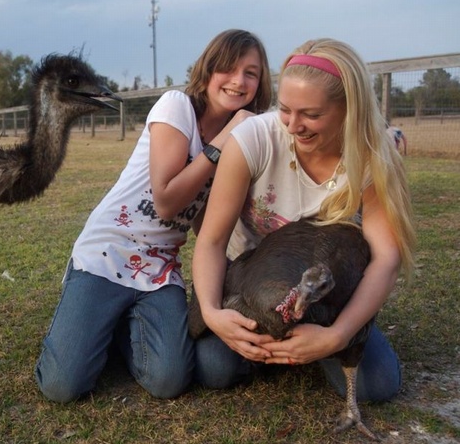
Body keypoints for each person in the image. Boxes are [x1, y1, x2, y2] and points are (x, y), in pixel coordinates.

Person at [35, 30, 273, 403]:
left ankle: (112, 328)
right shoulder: (176, 106)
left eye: (251, 73)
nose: (238, 81)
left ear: (260, 85)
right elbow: (166, 201)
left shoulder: (242, 138)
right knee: (62, 386)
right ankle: (88, 320)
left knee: (169, 381)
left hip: (158, 266)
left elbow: (202, 216)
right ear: (208, 70)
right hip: (107, 252)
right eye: (227, 68)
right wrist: (222, 141)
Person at [191, 38, 416, 403]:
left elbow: (387, 258)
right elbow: (212, 241)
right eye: (285, 110)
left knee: (376, 387)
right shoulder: (253, 140)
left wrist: (338, 335)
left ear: (348, 110)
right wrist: (213, 313)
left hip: (326, 296)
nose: (294, 125)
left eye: (311, 114)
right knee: (215, 369)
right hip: (251, 286)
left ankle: (313, 344)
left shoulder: (373, 157)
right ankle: (281, 347)